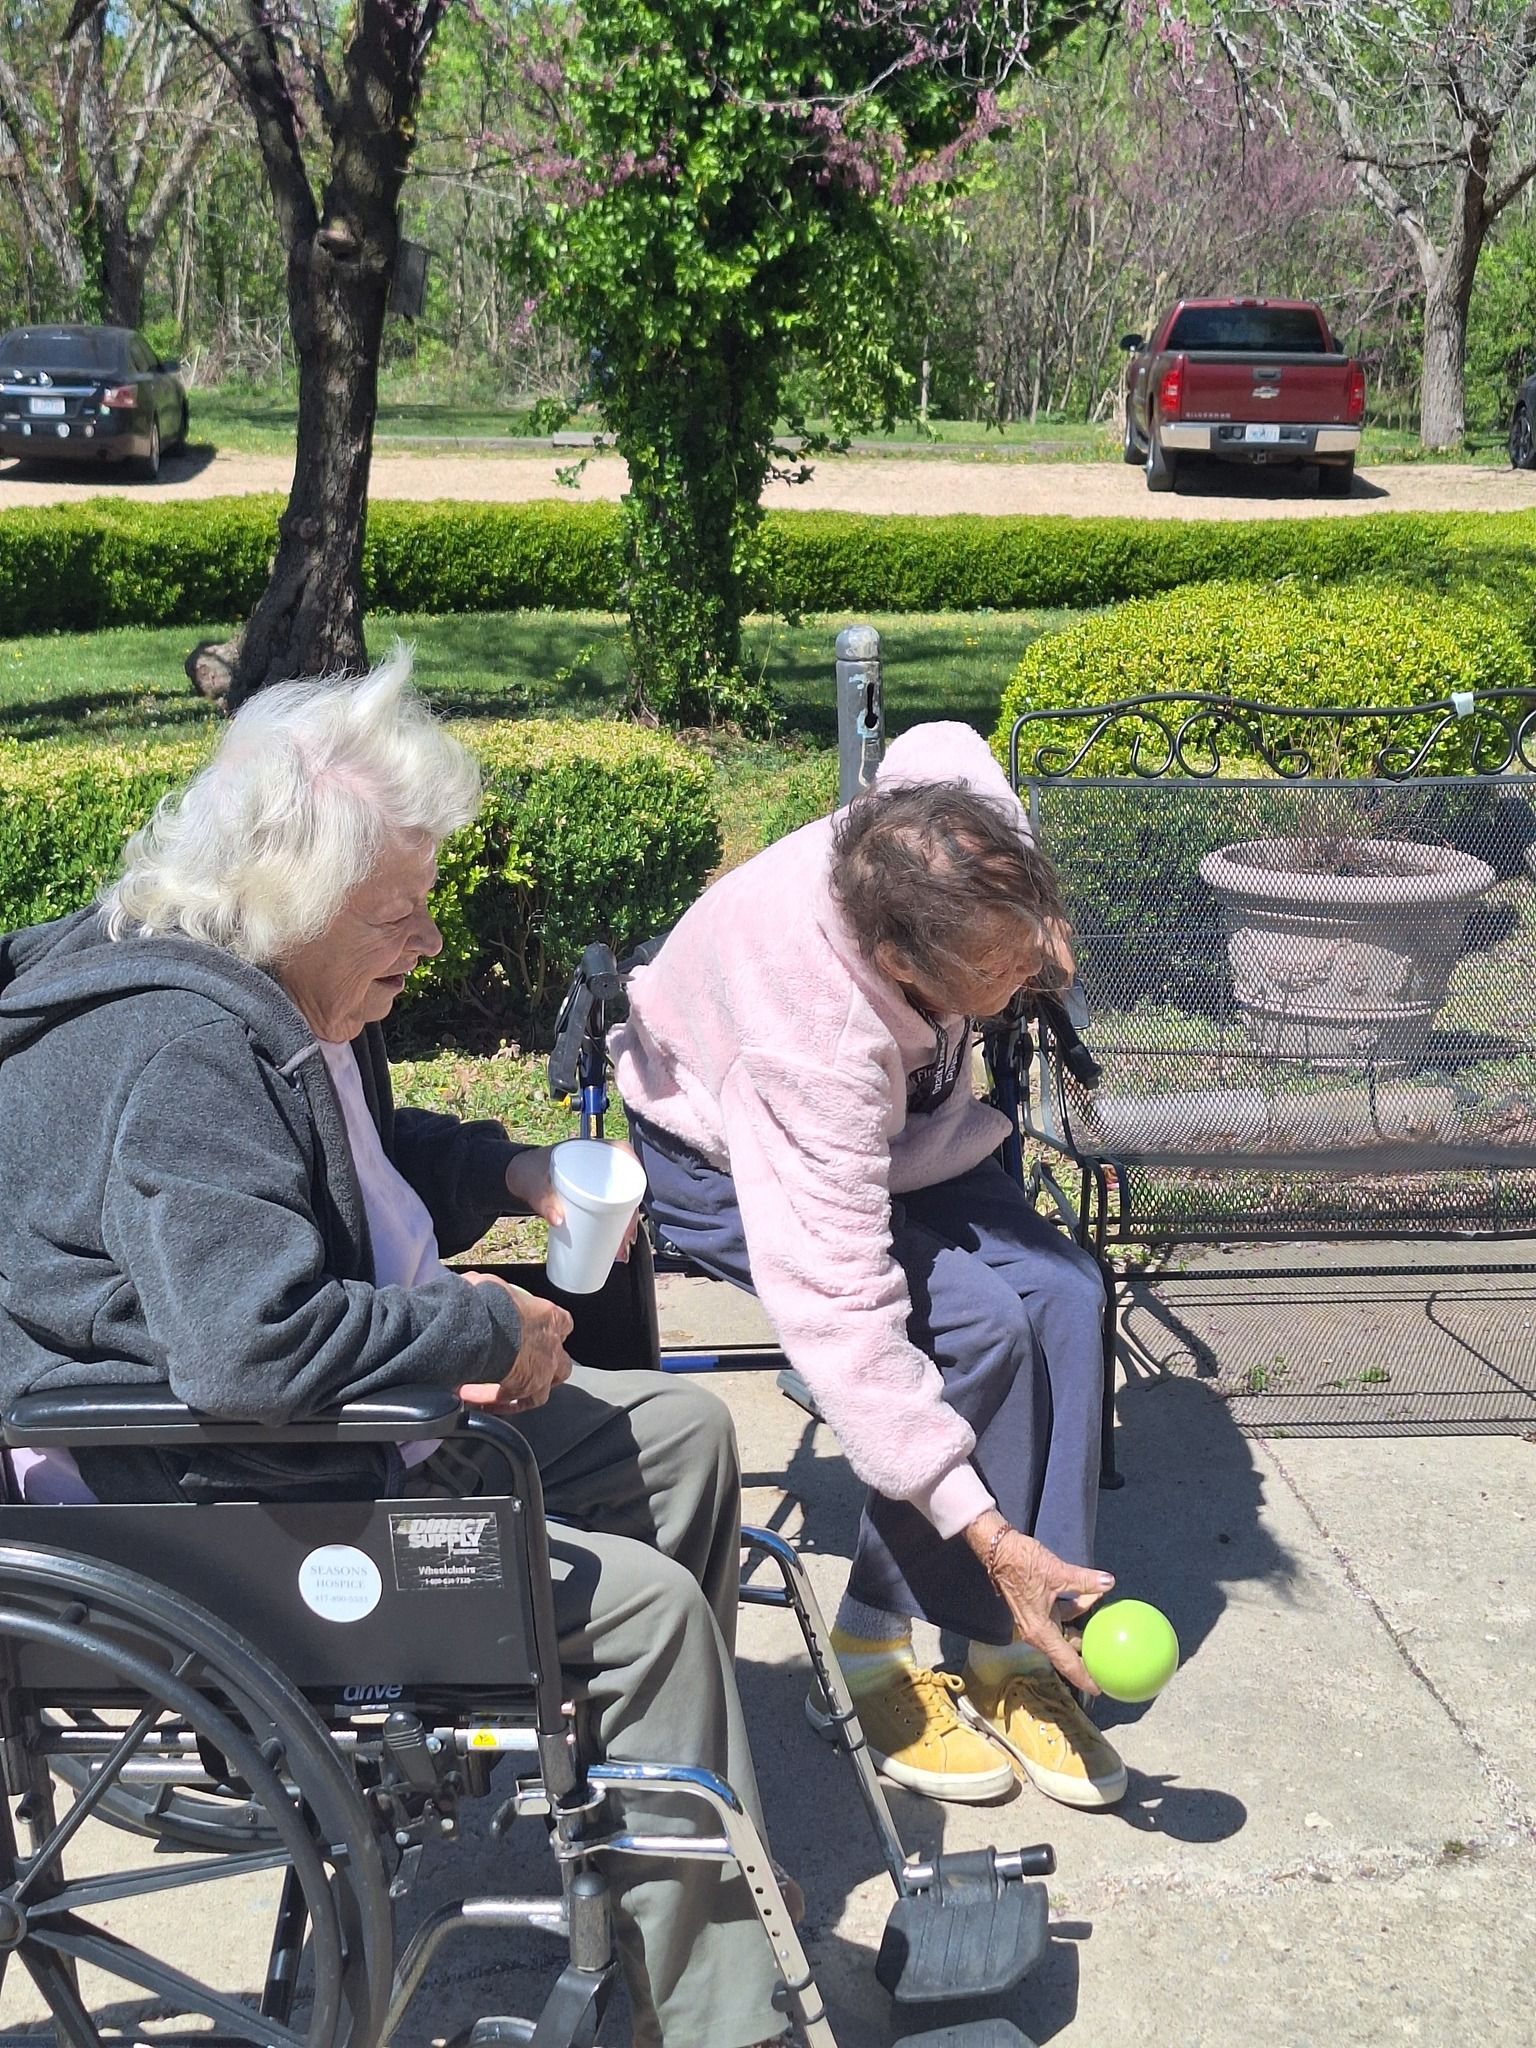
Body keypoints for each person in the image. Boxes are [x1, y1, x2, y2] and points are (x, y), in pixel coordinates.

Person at [0, 650, 791, 2048]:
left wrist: (505, 1169)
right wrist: (481, 1322)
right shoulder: (184, 1055)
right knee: (653, 1619)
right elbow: (252, 1350)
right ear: (293, 898)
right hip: (212, 1497)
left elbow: (345, 1159)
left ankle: (635, 1830)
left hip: (338, 1428)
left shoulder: (282, 985)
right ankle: (724, 2018)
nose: (426, 942)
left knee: (684, 1439)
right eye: (397, 914)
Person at [613, 721, 1127, 1811]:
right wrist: (984, 1530)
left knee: (1067, 1294)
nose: (1024, 979)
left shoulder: (943, 831)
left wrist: (1033, 917)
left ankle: (1014, 1643)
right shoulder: (811, 1035)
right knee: (976, 1326)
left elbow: (945, 740)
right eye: (995, 970)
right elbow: (844, 1319)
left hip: (908, 1133)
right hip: (729, 1152)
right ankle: (871, 1647)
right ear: (900, 964)